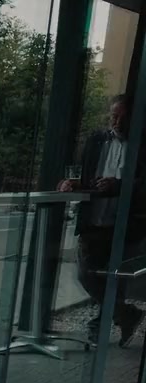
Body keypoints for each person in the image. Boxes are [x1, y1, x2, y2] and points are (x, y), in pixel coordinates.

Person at [60, 94, 146, 346]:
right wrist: (75, 184)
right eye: (113, 116)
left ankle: (103, 325)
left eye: (122, 117)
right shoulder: (96, 141)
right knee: (86, 274)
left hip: (125, 223)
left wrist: (119, 186)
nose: (116, 122)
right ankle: (125, 314)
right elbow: (87, 176)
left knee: (114, 277)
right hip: (95, 220)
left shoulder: (143, 145)